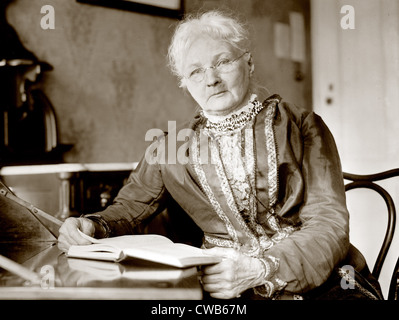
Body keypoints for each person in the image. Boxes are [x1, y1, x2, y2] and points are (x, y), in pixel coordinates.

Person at [58, 10, 382, 300]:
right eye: (196, 72)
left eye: (223, 61)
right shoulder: (172, 145)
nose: (211, 79)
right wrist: (91, 227)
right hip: (223, 290)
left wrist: (262, 269)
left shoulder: (302, 125)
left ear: (249, 62)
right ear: (184, 83)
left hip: (317, 279)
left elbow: (329, 224)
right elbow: (127, 208)